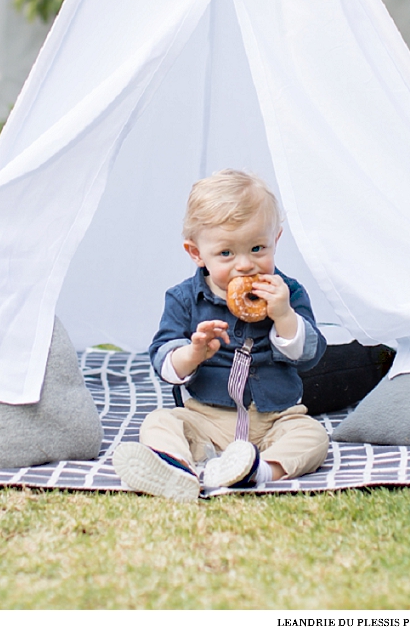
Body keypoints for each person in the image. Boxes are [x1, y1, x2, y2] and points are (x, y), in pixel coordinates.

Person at [113, 169, 330, 501]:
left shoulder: (287, 293)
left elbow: (309, 355)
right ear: (196, 253)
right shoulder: (184, 299)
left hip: (273, 418)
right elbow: (163, 360)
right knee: (159, 421)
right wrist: (193, 352)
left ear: (276, 240)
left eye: (258, 248)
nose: (245, 265)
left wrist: (284, 316)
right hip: (206, 419)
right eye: (226, 254)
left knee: (312, 436)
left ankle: (256, 471)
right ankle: (176, 470)